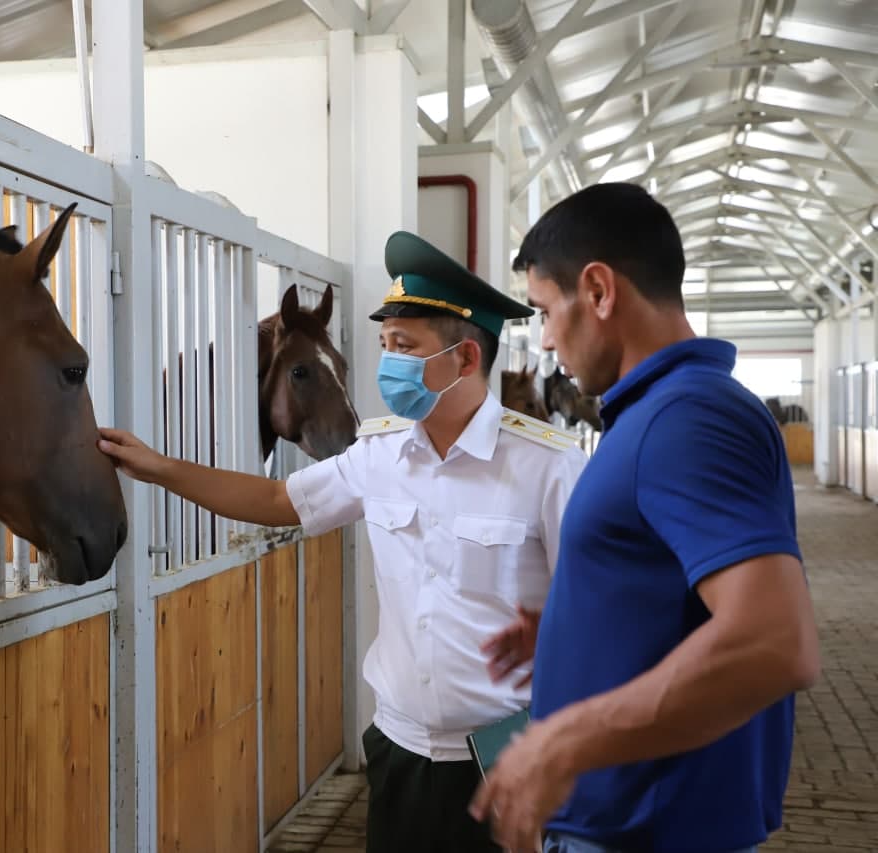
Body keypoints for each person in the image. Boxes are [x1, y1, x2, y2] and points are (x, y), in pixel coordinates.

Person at [99, 231, 588, 853]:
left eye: (405, 347)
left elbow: (598, 602)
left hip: (509, 755)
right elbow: (281, 501)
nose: (389, 363)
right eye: (386, 345)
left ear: (465, 359)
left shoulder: (548, 467)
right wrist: (162, 467)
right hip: (400, 749)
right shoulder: (380, 455)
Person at [468, 182, 821, 853]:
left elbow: (774, 640)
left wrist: (563, 740)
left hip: (646, 832)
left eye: (545, 310)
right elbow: (685, 593)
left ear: (599, 290)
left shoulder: (685, 419)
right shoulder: (663, 412)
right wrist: (583, 628)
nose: (544, 340)